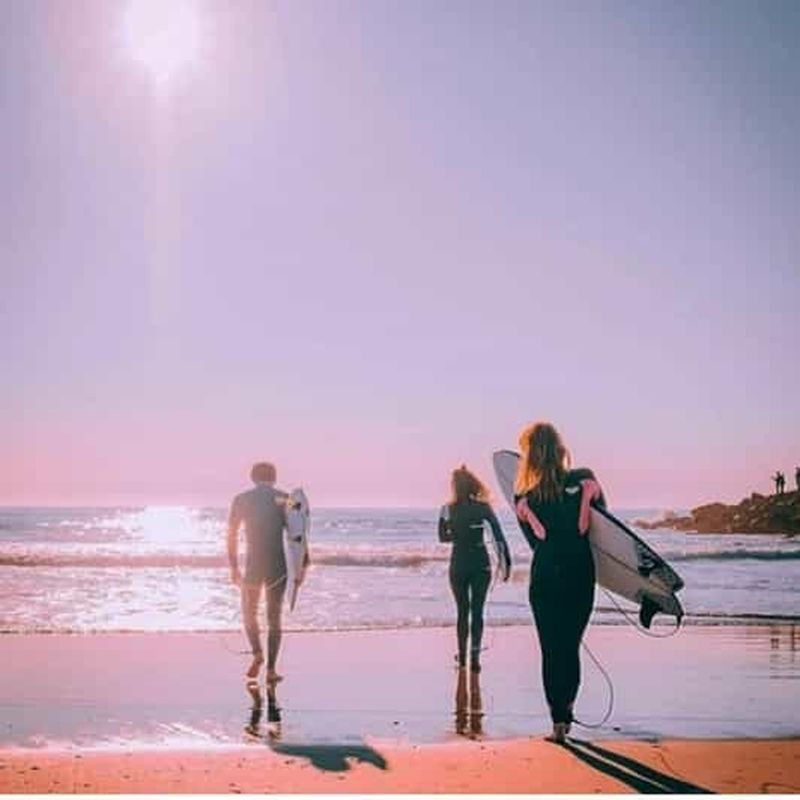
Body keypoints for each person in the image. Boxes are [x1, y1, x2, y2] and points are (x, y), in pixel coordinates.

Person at [514, 422, 606, 743]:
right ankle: (566, 714)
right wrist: (584, 499)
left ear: (529, 456)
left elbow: (536, 540)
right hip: (580, 572)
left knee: (551, 650)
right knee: (570, 647)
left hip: (545, 576)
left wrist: (530, 514)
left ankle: (558, 723)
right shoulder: (585, 478)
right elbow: (596, 527)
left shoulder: (525, 497)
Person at [438, 466, 511, 674]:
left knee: (462, 611)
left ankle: (462, 657)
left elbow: (442, 538)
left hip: (458, 563)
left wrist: (458, 534)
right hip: (480, 563)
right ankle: (475, 658)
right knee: (477, 611)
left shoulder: (447, 508)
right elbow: (498, 537)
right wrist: (506, 564)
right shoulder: (483, 508)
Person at [227, 461, 290, 684]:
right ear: (274, 477)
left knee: (249, 612)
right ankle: (272, 670)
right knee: (274, 618)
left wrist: (234, 567)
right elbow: (296, 536)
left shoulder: (241, 499)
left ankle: (257, 653)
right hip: (278, 565)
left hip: (253, 566)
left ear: (252, 477)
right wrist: (301, 566)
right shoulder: (284, 498)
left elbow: (231, 535)